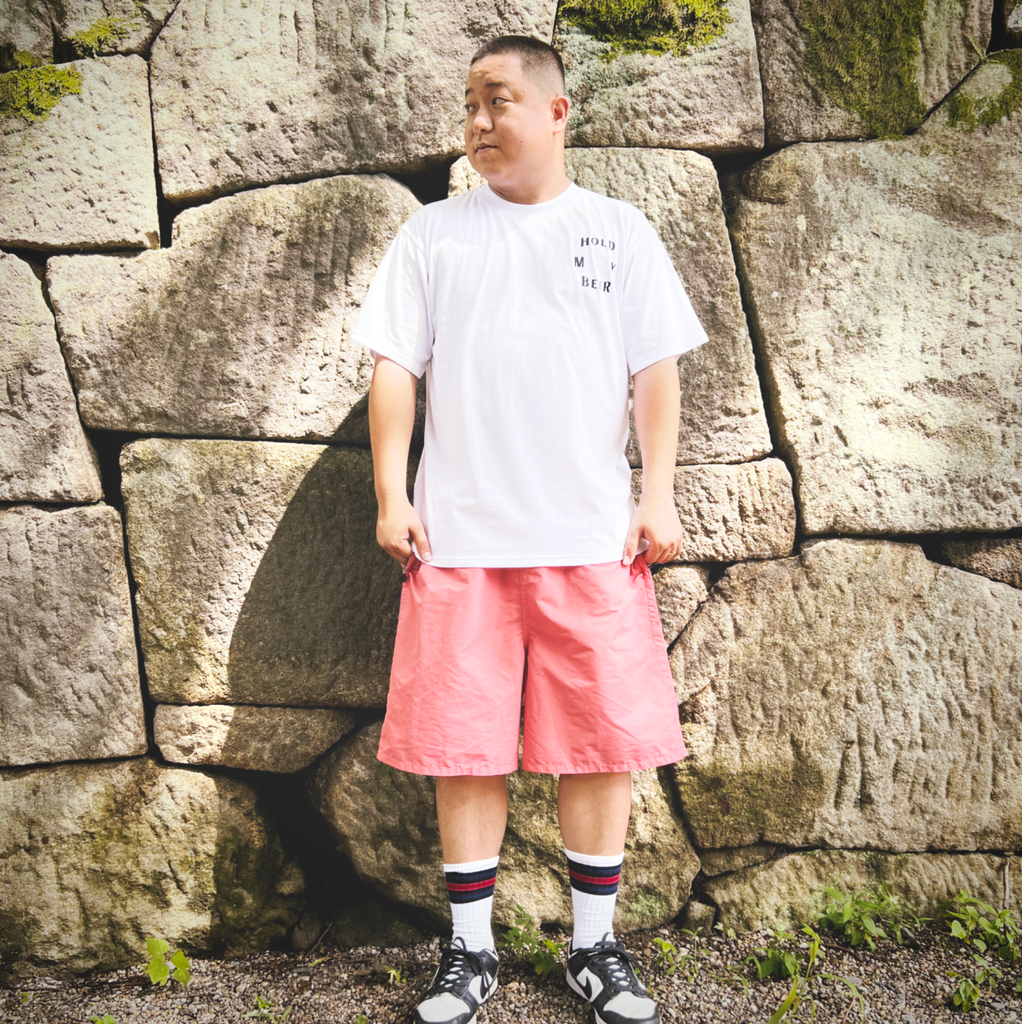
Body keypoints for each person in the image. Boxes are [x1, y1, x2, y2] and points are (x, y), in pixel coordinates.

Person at [352, 34, 708, 1024]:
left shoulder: (618, 230)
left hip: (592, 536)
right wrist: (391, 494)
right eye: (468, 103)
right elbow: (393, 368)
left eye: (496, 99)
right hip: (458, 540)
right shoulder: (433, 235)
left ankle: (594, 946)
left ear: (556, 111)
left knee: (599, 744)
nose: (477, 121)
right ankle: (469, 952)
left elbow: (655, 372)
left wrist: (658, 493)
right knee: (463, 748)